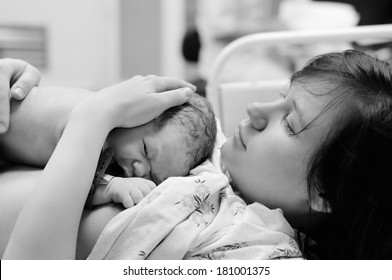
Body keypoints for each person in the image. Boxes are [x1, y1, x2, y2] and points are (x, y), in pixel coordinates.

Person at [2, 49, 392, 260]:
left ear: (324, 191)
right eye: (279, 98)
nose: (256, 110)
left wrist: (92, 119)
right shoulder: (218, 146)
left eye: (289, 123)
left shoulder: (256, 256)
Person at [0, 79, 216, 209]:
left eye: (153, 176)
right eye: (146, 151)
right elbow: (71, 178)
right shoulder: (84, 114)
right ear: (141, 112)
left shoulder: (112, 137)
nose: (140, 170)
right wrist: (111, 185)